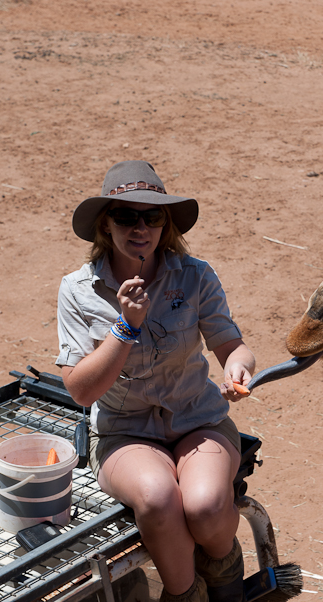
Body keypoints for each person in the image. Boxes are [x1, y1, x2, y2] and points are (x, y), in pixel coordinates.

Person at [56, 160, 254, 602]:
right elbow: (81, 390)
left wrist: (238, 367)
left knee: (204, 507)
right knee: (159, 498)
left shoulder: (195, 274)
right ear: (106, 224)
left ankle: (224, 571)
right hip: (124, 431)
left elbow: (232, 345)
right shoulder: (77, 290)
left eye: (153, 215)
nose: (140, 226)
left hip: (197, 418)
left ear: (167, 224)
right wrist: (125, 327)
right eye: (126, 215)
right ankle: (186, 595)